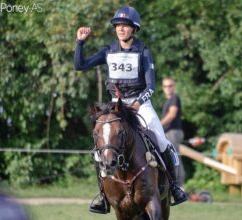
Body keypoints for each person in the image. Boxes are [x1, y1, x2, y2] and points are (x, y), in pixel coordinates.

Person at [74, 6, 187, 214]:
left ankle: (174, 186)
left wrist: (139, 101)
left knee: (162, 140)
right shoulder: (109, 51)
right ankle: (103, 195)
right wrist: (80, 43)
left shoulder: (143, 52)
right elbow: (80, 65)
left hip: (139, 104)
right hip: (116, 105)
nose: (121, 29)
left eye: (125, 26)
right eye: (118, 26)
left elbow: (151, 86)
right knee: (101, 151)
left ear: (134, 29)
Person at [161, 77, 185, 186]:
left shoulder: (174, 98)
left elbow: (172, 114)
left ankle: (178, 186)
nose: (168, 88)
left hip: (173, 132)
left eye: (170, 86)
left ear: (174, 87)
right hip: (169, 132)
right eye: (165, 86)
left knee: (175, 158)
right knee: (171, 158)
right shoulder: (168, 101)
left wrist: (159, 125)